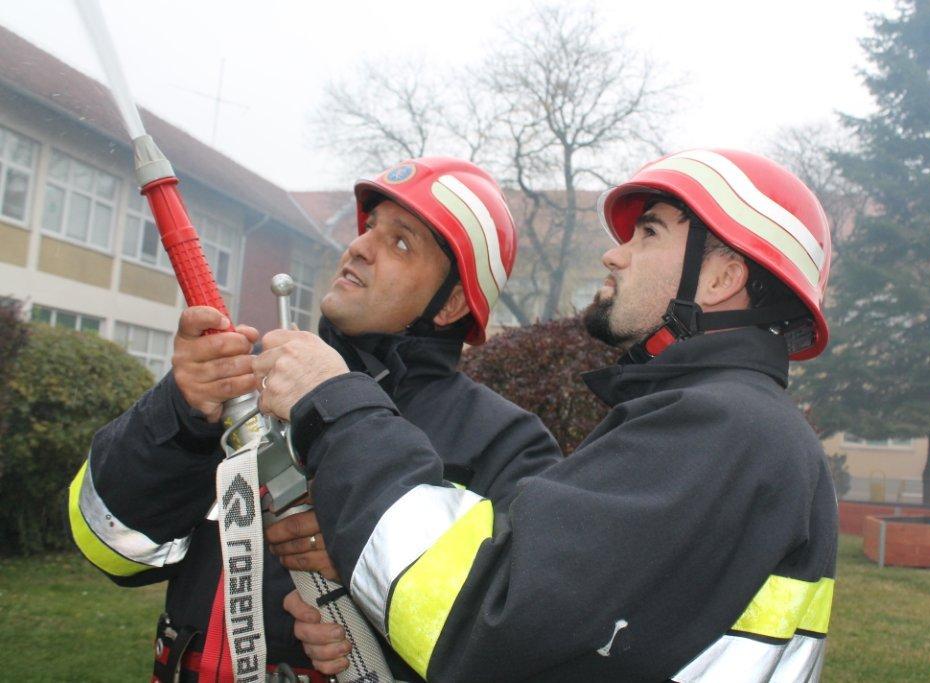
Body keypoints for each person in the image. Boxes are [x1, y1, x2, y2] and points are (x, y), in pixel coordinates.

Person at [266, 149, 839, 682]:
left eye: (650, 231)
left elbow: (492, 616)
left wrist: (337, 405)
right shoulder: (731, 426)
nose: (614, 253)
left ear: (721, 278)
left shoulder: (723, 428)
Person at [66, 157, 562, 682]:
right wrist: (181, 415)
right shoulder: (249, 380)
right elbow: (111, 546)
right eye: (370, 228)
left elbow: (524, 636)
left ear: (452, 302)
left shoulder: (507, 443)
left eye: (401, 242)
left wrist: (372, 610)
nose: (360, 246)